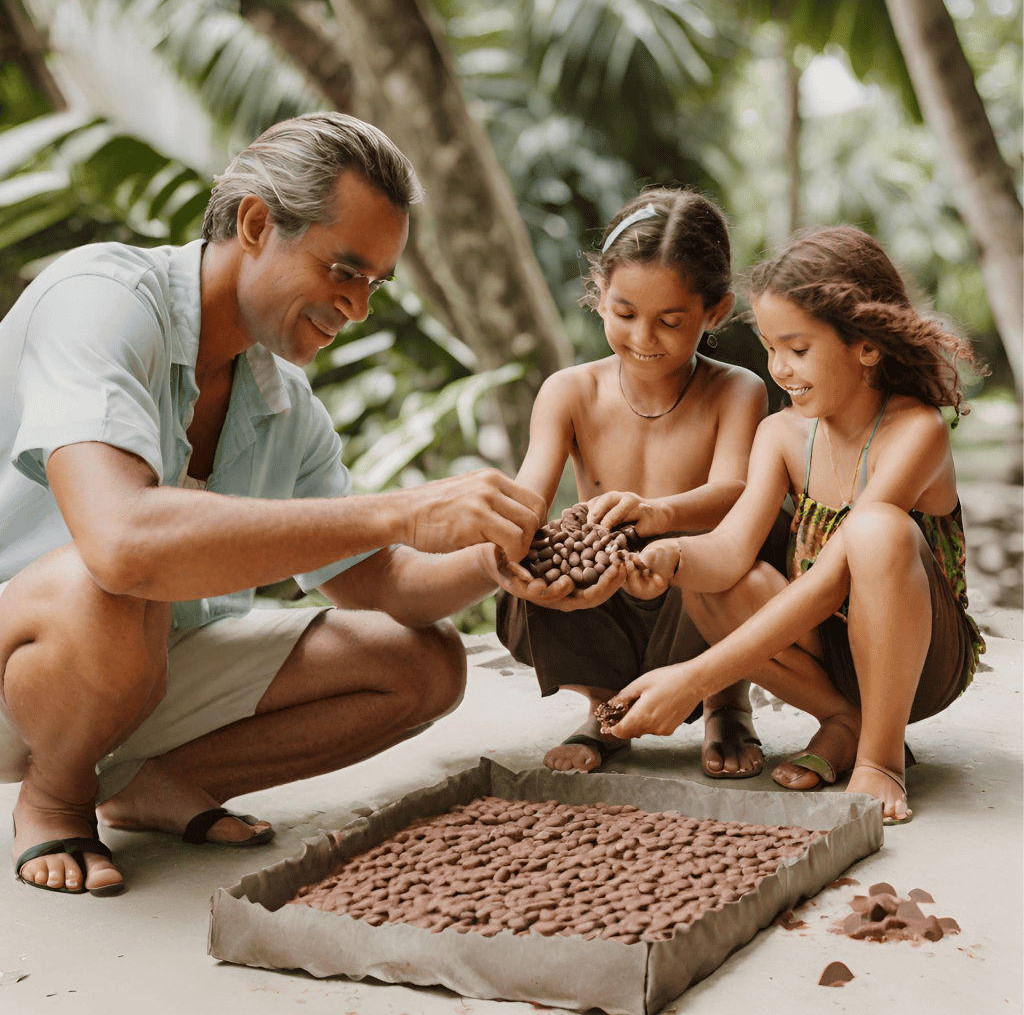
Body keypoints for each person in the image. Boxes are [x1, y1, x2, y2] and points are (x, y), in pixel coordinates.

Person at [0, 112, 545, 897]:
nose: (356, 308)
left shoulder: (281, 398)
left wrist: (502, 554)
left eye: (374, 285)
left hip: (144, 670)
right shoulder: (102, 299)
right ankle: (54, 795)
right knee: (116, 582)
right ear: (256, 223)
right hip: (28, 665)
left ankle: (156, 783)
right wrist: (401, 508)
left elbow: (381, 582)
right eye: (344, 271)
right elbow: (122, 542)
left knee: (421, 664)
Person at [604, 226, 986, 825]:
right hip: (825, 654)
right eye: (769, 347)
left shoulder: (917, 431)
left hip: (922, 663)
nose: (779, 369)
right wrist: (667, 556)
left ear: (865, 345)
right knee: (711, 579)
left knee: (876, 531)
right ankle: (843, 721)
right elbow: (730, 552)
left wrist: (693, 678)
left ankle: (881, 756)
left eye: (798, 349)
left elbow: (834, 576)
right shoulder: (782, 434)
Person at [492, 188, 785, 778]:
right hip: (604, 586)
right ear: (599, 297)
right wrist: (507, 551)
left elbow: (737, 491)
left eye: (670, 321)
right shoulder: (570, 391)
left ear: (716, 312)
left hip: (696, 577)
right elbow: (528, 497)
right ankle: (605, 704)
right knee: (529, 569)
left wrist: (657, 515)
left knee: (753, 559)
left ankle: (724, 700)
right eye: (625, 314)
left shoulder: (737, 389)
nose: (644, 339)